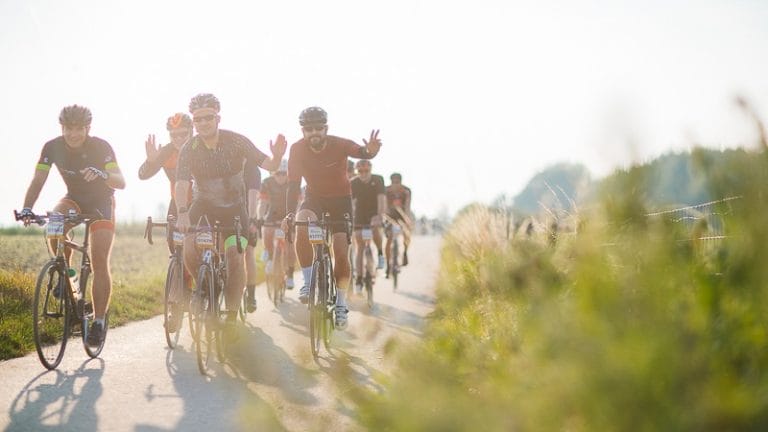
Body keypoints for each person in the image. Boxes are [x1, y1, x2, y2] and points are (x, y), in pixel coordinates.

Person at [175, 93, 285, 328]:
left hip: (234, 209)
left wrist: (277, 157)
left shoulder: (236, 141)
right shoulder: (189, 148)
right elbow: (181, 184)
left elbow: (269, 165)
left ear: (218, 118)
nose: (203, 123)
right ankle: (204, 287)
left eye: (208, 117)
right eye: (198, 119)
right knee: (189, 246)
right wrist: (182, 212)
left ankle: (233, 316)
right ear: (194, 122)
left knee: (235, 257)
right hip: (203, 205)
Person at [20, 105, 126, 346]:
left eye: (79, 129)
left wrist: (102, 174)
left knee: (99, 260)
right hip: (74, 199)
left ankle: (98, 322)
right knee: (54, 225)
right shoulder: (52, 147)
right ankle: (66, 274)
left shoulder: (101, 147)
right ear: (62, 128)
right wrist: (27, 207)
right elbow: (38, 179)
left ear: (88, 128)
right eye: (68, 128)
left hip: (101, 203)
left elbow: (121, 182)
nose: (73, 134)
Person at [283, 106, 381, 330]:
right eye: (309, 129)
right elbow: (293, 184)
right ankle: (308, 281)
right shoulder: (297, 149)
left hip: (340, 201)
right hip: (314, 198)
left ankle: (341, 303)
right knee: (301, 223)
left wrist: (370, 152)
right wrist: (289, 213)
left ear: (326, 129)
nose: (314, 133)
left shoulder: (339, 144)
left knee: (340, 250)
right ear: (303, 131)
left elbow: (360, 151)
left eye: (318, 128)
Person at [258, 159, 296, 293]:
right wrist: (259, 218)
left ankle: (290, 275)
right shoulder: (266, 183)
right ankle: (269, 255)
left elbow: (299, 203)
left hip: (288, 215)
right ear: (272, 173)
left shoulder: (293, 182)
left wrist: (296, 219)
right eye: (278, 173)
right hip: (272, 215)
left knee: (290, 245)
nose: (281, 177)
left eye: (284, 173)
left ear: (288, 173)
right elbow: (263, 204)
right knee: (267, 231)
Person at [350, 159, 386, 292]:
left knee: (376, 229)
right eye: (360, 171)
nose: (364, 174)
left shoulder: (378, 180)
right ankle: (359, 279)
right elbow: (351, 203)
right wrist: (350, 218)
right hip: (360, 214)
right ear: (357, 171)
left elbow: (381, 200)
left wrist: (380, 216)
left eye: (366, 171)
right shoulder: (353, 182)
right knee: (360, 246)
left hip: (374, 212)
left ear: (371, 170)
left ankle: (380, 253)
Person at [385, 172, 412, 276]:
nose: (395, 184)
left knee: (407, 235)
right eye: (393, 182)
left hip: (402, 215)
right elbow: (384, 206)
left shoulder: (406, 191)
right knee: (389, 239)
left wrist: (407, 220)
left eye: (397, 182)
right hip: (390, 215)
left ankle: (405, 252)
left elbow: (408, 206)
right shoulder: (386, 190)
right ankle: (388, 264)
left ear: (401, 182)